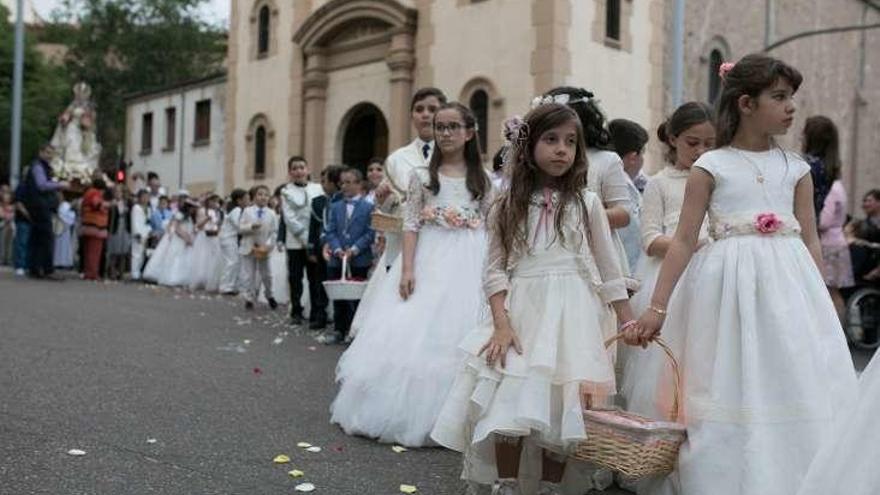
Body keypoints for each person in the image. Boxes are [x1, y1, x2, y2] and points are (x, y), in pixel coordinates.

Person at [632, 54, 858, 495]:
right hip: (728, 288)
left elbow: (810, 238)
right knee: (730, 374)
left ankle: (796, 473)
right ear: (745, 103)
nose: (791, 106)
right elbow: (681, 241)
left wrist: (819, 295)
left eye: (792, 97)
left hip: (790, 285)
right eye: (779, 97)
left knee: (789, 371)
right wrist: (657, 307)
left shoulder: (797, 168)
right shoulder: (710, 166)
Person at [430, 103, 637, 495]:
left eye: (571, 142)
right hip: (521, 311)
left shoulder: (587, 203)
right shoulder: (506, 204)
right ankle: (506, 484)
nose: (562, 149)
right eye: (551, 139)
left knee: (561, 404)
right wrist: (501, 324)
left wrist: (626, 319)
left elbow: (609, 269)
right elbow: (494, 269)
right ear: (528, 147)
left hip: (573, 314)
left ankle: (549, 487)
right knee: (510, 396)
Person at [330, 103, 491, 445]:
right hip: (430, 255)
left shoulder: (483, 179)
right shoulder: (422, 176)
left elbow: (492, 225)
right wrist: (407, 268)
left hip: (471, 258)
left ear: (469, 132)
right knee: (414, 328)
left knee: (461, 331)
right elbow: (412, 222)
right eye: (440, 127)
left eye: (453, 127)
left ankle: (458, 418)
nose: (446, 133)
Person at [620, 102, 715, 425]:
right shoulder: (660, 183)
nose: (701, 151)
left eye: (708, 144)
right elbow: (649, 239)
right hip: (669, 279)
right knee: (665, 362)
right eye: (693, 142)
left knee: (704, 359)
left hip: (712, 276)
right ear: (673, 139)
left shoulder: (717, 180)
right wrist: (689, 245)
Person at [544, 87, 635, 291]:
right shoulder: (543, 162)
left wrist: (578, 215)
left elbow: (623, 213)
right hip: (548, 251)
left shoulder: (606, 161)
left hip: (595, 251)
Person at [373, 87, 447, 268]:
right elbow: (389, 207)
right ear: (412, 115)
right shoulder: (396, 159)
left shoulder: (454, 154)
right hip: (403, 244)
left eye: (432, 109)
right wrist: (383, 201)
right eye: (419, 109)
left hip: (442, 241)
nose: (425, 115)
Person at [802, 116, 853, 323]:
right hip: (837, 243)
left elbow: (822, 220)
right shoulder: (832, 174)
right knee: (832, 292)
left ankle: (832, 329)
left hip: (825, 243)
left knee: (824, 291)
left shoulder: (809, 168)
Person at [318, 168, 375, 344]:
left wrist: (355, 249)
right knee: (339, 295)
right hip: (337, 258)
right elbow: (330, 231)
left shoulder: (369, 207)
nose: (345, 186)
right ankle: (338, 329)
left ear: (359, 184)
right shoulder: (335, 207)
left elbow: (370, 232)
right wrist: (337, 249)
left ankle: (354, 329)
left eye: (349, 182)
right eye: (343, 183)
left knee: (356, 296)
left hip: (359, 258)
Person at [280, 156, 325, 325]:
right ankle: (296, 311)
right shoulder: (286, 191)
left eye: (301, 167)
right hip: (295, 242)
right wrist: (305, 238)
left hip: (314, 243)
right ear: (290, 172)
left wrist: (314, 239)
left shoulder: (317, 188)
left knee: (314, 278)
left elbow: (321, 212)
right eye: (295, 168)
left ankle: (315, 312)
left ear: (307, 169)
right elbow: (289, 218)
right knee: (295, 278)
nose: (299, 171)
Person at [609, 118, 650, 272]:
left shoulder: (643, 183)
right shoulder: (622, 187)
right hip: (627, 266)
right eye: (643, 153)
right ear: (633, 157)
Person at [23, 144, 69, 279]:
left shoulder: (41, 166)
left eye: (52, 153)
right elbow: (42, 185)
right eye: (48, 153)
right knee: (46, 237)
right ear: (41, 152)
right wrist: (59, 184)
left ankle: (35, 268)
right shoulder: (38, 166)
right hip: (40, 206)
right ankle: (47, 269)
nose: (50, 156)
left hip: (38, 206)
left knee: (37, 238)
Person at [306, 166, 343, 330]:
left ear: (335, 183)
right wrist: (312, 248)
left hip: (338, 248)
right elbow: (313, 227)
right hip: (322, 247)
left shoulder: (343, 201)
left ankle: (339, 319)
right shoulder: (319, 202)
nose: (322, 185)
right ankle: (320, 315)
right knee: (320, 282)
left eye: (325, 181)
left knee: (337, 282)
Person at [239, 185, 279, 310]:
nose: (263, 197)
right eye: (260, 194)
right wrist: (251, 226)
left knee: (267, 274)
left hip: (263, 248)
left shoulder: (272, 213)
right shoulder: (247, 211)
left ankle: (269, 295)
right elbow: (240, 228)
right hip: (249, 247)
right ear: (254, 197)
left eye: (266, 195)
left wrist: (268, 245)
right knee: (248, 275)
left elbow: (274, 232)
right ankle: (249, 298)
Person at [190, 194, 224, 292]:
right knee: (203, 258)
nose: (215, 203)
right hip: (204, 236)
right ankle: (200, 279)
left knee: (213, 258)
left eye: (216, 201)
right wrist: (207, 219)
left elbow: (217, 224)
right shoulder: (202, 210)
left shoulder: (218, 212)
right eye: (213, 201)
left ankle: (211, 280)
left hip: (214, 236)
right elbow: (198, 226)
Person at [218, 189, 248, 295]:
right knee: (232, 262)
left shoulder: (234, 209)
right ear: (239, 200)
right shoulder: (236, 210)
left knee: (233, 262)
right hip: (229, 238)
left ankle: (230, 285)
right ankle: (225, 286)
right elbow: (238, 225)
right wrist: (250, 226)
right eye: (246, 199)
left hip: (229, 238)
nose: (248, 201)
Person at [848, 189, 880, 281]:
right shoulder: (861, 224)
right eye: (864, 201)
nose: (865, 204)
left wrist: (866, 244)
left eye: (869, 201)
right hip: (865, 262)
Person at [80, 179, 109, 281]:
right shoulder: (94, 193)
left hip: (88, 226)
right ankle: (93, 274)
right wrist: (108, 205)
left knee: (88, 252)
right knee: (94, 253)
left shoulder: (88, 193)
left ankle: (88, 273)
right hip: (96, 227)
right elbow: (97, 205)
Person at [106, 185, 132, 280]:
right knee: (114, 250)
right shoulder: (112, 203)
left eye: (120, 192)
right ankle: (112, 270)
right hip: (115, 227)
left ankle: (121, 271)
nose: (118, 194)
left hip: (124, 227)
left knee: (123, 251)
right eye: (116, 192)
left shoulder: (126, 203)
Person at [130, 189, 152, 281]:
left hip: (145, 233)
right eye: (143, 197)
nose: (145, 199)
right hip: (138, 234)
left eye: (147, 197)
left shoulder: (148, 209)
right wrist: (137, 234)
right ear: (139, 198)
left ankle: (139, 272)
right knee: (136, 254)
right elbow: (135, 222)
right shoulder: (136, 207)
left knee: (143, 254)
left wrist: (149, 232)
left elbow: (148, 222)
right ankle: (134, 274)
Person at [12, 175, 32, 276]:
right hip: (23, 219)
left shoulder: (34, 187)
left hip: (32, 220)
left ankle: (26, 265)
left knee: (28, 243)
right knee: (22, 243)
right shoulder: (22, 187)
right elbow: (18, 203)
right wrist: (28, 214)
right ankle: (20, 266)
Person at [53, 192, 76, 269]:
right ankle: (56, 262)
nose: (58, 197)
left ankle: (64, 263)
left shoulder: (66, 205)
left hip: (64, 229)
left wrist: (62, 218)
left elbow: (71, 216)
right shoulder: (55, 205)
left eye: (59, 196)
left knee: (64, 247)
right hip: (56, 228)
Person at [0, 189, 14, 266]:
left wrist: (8, 215)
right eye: (5, 197)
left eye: (8, 197)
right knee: (2, 242)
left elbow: (12, 216)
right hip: (3, 226)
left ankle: (9, 259)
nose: (7, 198)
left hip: (11, 226)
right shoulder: (1, 206)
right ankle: (2, 259)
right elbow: (2, 215)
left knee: (10, 243)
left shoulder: (12, 206)